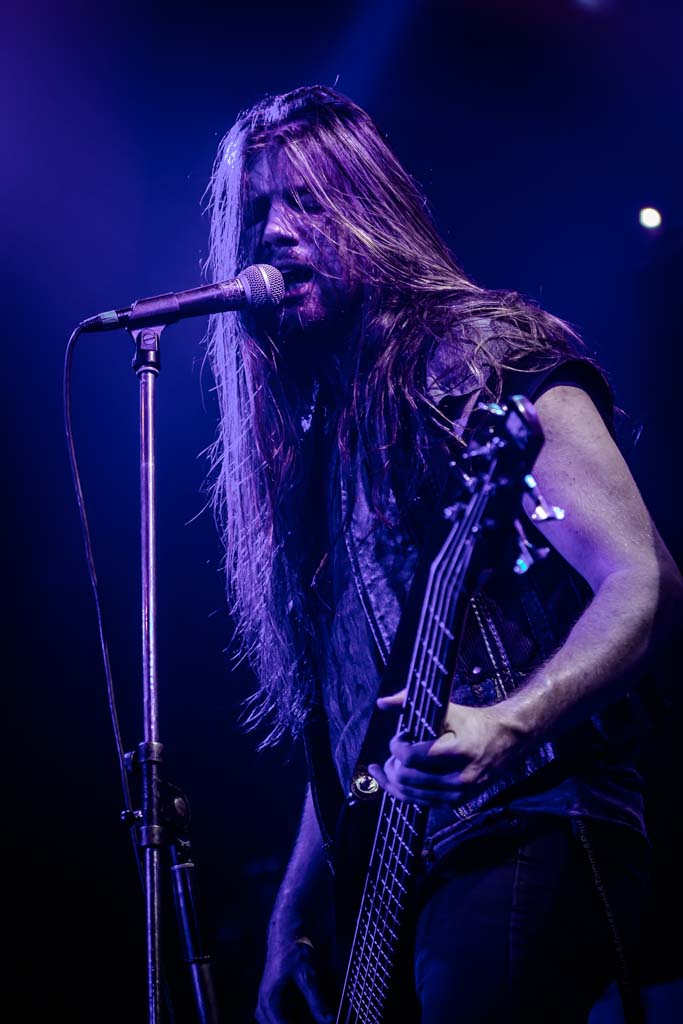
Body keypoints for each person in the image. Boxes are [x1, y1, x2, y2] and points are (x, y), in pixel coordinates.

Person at [203, 85, 682, 1024]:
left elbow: (645, 580)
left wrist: (508, 722)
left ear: (372, 210)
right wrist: (293, 916)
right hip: (401, 877)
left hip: (532, 817)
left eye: (308, 200)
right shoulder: (310, 443)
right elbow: (359, 721)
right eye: (256, 211)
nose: (276, 232)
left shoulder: (478, 353)